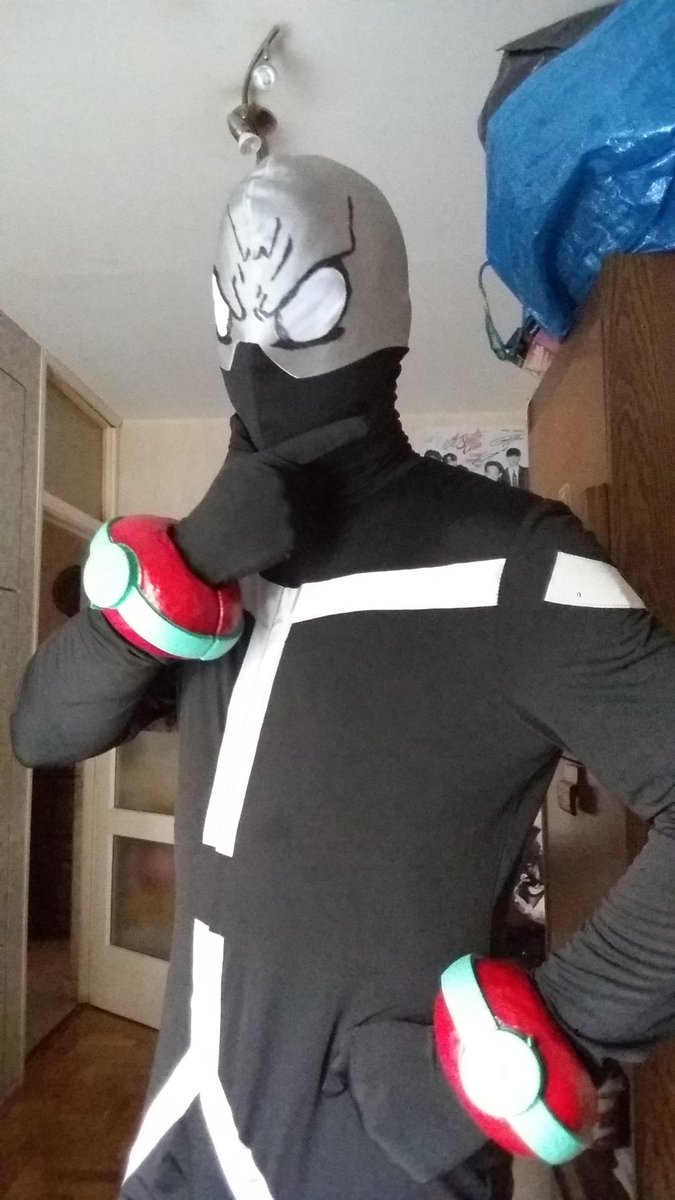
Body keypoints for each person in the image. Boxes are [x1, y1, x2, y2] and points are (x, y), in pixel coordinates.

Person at [11, 154, 675, 1200]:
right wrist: (186, 563)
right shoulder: (218, 565)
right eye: (232, 308)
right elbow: (40, 729)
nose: (255, 350)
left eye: (304, 303)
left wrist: (542, 1036)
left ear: (377, 313)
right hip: (181, 1129)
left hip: (373, 1152)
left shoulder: (517, 564)